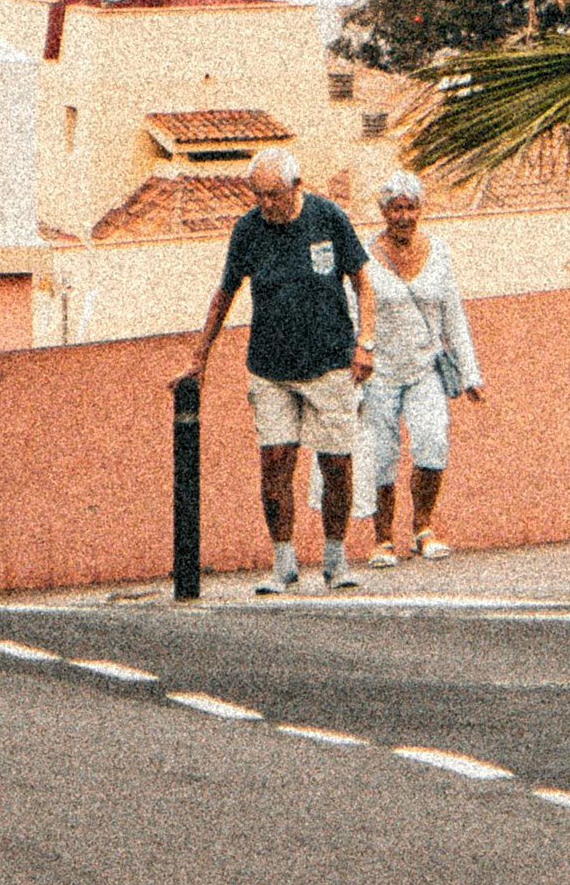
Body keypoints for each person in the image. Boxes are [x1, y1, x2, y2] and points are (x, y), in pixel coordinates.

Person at [190, 139, 370, 593]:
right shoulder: (247, 230)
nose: (267, 203)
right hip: (269, 365)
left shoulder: (328, 218)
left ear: (296, 186)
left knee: (336, 464)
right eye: (259, 195)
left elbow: (364, 282)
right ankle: (283, 560)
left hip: (330, 361)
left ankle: (335, 558)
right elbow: (224, 293)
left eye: (274, 194)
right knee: (275, 462)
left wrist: (365, 343)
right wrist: (200, 358)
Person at [354, 171, 483, 562]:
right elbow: (354, 311)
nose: (404, 216)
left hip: (424, 367)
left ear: (421, 210)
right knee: (381, 454)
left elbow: (453, 317)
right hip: (380, 373)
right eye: (396, 208)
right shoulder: (365, 256)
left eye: (411, 208)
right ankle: (382, 539)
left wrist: (470, 373)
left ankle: (423, 528)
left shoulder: (439, 252)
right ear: (383, 212)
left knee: (433, 441)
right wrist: (358, 358)